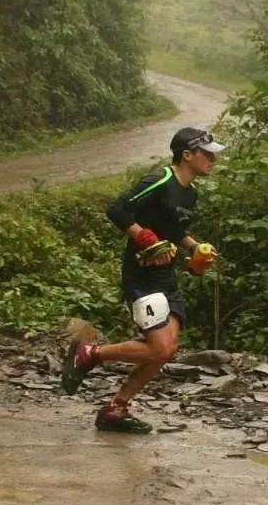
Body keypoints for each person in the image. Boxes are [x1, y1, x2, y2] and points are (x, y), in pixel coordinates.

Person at [61, 126, 226, 433]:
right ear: (187, 155)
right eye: (207, 153)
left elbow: (175, 232)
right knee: (160, 349)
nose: (212, 159)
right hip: (141, 275)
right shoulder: (161, 180)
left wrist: (196, 250)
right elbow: (118, 208)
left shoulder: (191, 193)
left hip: (167, 277)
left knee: (167, 348)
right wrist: (144, 237)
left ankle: (115, 409)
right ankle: (90, 353)